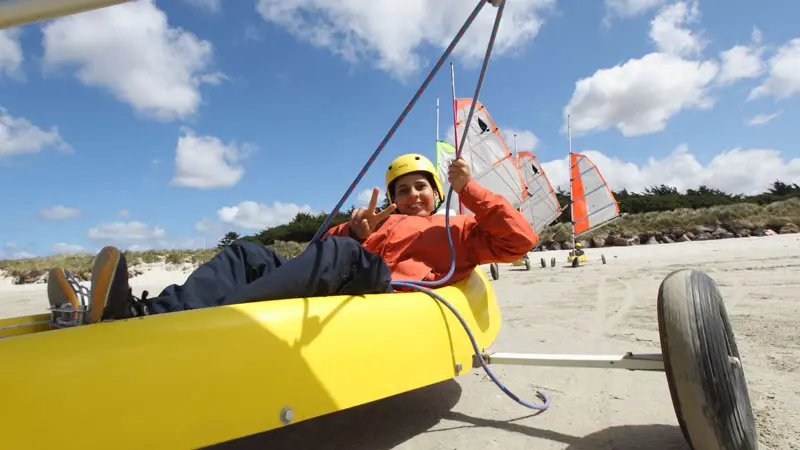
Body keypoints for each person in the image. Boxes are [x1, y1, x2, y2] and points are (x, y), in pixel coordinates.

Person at [46, 153, 538, 325]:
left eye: (420, 188)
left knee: (343, 253)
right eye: (402, 190)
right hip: (350, 271)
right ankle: (137, 314)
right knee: (249, 252)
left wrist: (469, 190)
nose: (412, 196)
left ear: (436, 192)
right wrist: (355, 229)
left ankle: (214, 323)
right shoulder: (378, 225)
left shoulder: (460, 229)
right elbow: (313, 257)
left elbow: (521, 240)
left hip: (393, 290)